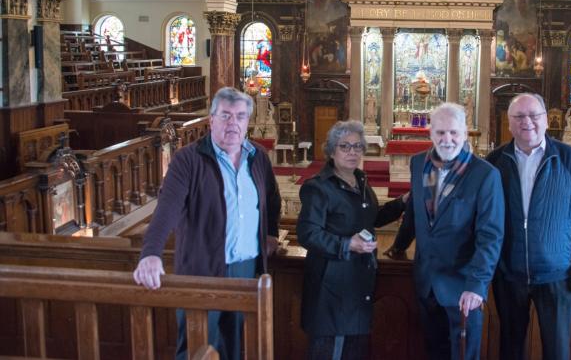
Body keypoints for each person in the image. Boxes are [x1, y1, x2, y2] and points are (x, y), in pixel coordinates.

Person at [133, 87, 281, 360]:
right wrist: (151, 253)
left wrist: (271, 233)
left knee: (233, 346)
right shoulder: (188, 159)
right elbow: (166, 209)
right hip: (201, 269)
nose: (232, 124)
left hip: (245, 269)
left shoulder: (257, 157)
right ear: (211, 120)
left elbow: (271, 199)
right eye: (225, 116)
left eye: (239, 116)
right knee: (196, 347)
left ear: (248, 121)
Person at [486, 93, 571, 360]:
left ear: (546, 120)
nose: (527, 122)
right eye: (519, 116)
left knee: (557, 350)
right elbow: (480, 218)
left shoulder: (568, 157)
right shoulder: (494, 161)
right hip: (509, 275)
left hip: (557, 274)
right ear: (509, 122)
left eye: (534, 115)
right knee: (510, 348)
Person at [385, 103, 504, 360]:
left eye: (453, 132)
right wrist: (398, 246)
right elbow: (416, 213)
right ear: (430, 133)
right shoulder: (420, 164)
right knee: (433, 351)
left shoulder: (485, 175)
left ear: (465, 133)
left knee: (462, 355)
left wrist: (477, 285)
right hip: (427, 282)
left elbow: (490, 236)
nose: (446, 139)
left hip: (463, 288)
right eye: (440, 133)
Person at [298, 120, 407, 360]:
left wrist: (402, 202)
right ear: (332, 150)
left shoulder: (360, 180)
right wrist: (348, 244)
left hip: (358, 282)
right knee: (329, 351)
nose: (352, 152)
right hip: (331, 287)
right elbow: (308, 234)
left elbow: (370, 219)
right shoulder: (318, 188)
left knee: (353, 351)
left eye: (358, 146)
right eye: (345, 146)